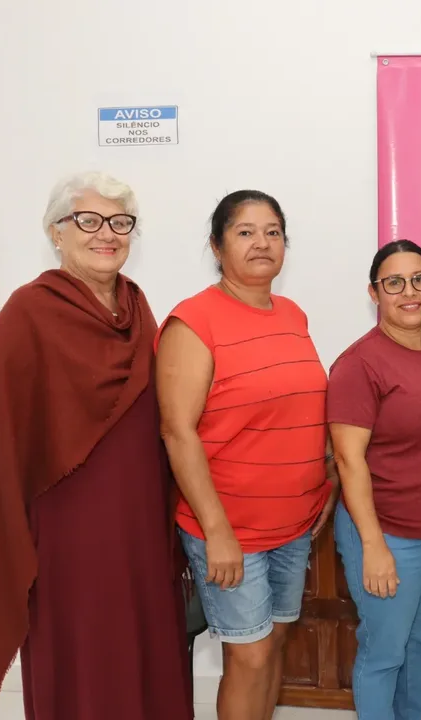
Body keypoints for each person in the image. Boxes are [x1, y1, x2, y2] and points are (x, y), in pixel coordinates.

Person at [0, 171, 193, 720]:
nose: (107, 234)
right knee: (81, 647)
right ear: (57, 232)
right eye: (89, 221)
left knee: (147, 642)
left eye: (120, 222)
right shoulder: (31, 310)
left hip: (141, 520)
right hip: (68, 524)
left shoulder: (136, 305)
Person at [155, 190, 339, 720]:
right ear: (217, 247)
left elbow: (301, 406)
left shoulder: (293, 314)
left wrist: (325, 478)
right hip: (228, 527)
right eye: (245, 232)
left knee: (274, 643)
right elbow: (177, 432)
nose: (262, 242)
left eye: (273, 232)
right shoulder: (194, 321)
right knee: (249, 655)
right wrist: (217, 532)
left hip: (294, 524)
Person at [327, 239, 421, 720]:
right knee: (385, 652)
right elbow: (349, 460)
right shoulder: (359, 364)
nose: (409, 292)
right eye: (394, 283)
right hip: (387, 535)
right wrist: (373, 546)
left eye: (419, 280)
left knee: (420, 645)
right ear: (374, 293)